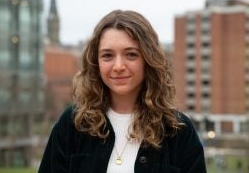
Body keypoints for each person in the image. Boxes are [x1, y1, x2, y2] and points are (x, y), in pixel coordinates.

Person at [38, 10, 207, 173]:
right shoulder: (72, 125)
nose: (118, 66)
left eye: (131, 54)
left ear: (148, 60)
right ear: (96, 62)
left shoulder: (178, 131)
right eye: (107, 56)